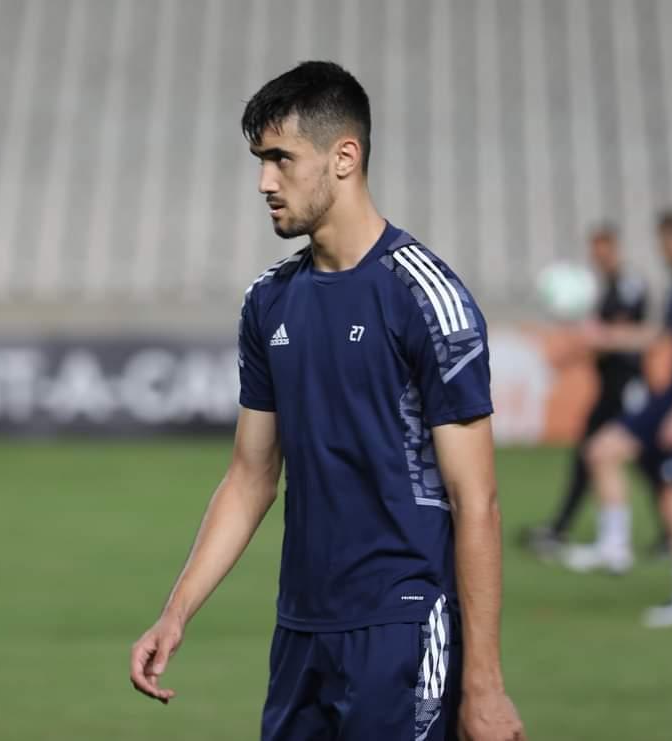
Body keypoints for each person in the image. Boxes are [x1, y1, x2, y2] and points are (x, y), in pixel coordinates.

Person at [129, 61, 524, 740]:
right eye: (260, 161)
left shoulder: (425, 298)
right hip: (301, 630)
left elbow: (476, 501)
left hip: (402, 626)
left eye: (281, 159)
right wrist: (176, 611)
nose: (264, 182)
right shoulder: (268, 301)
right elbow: (250, 477)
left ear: (345, 157)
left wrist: (484, 685)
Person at [563, 210, 672, 627]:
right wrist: (609, 336)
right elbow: (659, 335)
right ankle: (614, 547)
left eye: (662, 243)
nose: (660, 252)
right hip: (670, 397)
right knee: (602, 450)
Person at [520, 227, 667, 559]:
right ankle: (562, 527)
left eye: (603, 250)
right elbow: (601, 340)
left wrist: (579, 345)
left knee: (637, 459)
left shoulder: (629, 286)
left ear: (615, 248)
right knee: (589, 454)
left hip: (628, 387)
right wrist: (573, 354)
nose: (599, 256)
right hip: (609, 388)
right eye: (595, 251)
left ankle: (659, 533)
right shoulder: (609, 289)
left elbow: (621, 336)